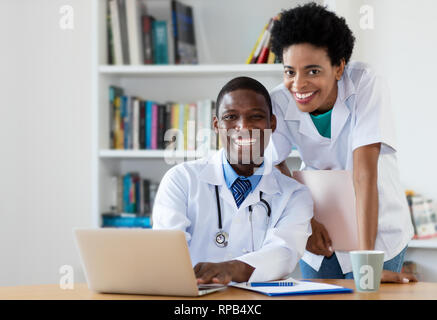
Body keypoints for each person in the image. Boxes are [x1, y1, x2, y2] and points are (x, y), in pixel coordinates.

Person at [269, 2, 416, 283]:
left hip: (377, 231)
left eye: (313, 71)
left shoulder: (364, 84)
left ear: (339, 67)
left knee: (367, 293)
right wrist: (307, 223)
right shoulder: (278, 99)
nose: (298, 84)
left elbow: (364, 174)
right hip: (320, 231)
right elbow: (273, 164)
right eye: (290, 71)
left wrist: (367, 265)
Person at [152, 76, 313, 284]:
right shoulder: (181, 180)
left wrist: (230, 269)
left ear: (272, 123)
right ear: (216, 125)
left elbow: (284, 254)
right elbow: (167, 253)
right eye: (230, 117)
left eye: (255, 116)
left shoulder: (294, 195)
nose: (243, 127)